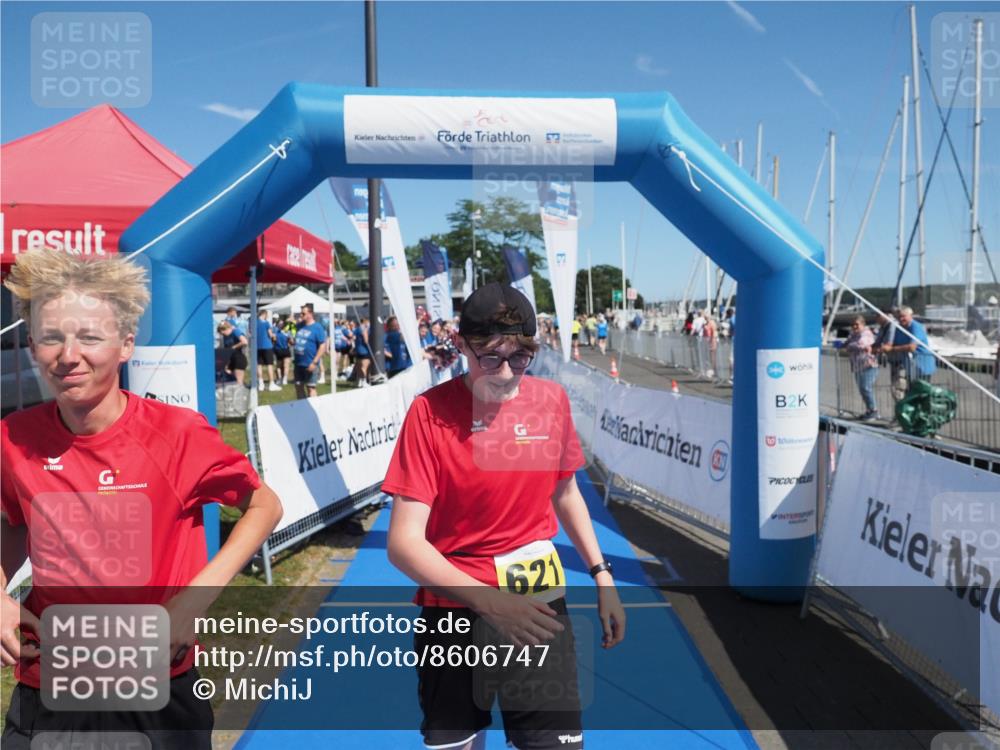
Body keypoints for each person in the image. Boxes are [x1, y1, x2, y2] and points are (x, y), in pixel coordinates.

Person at [0, 250, 282, 750]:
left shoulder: (177, 436)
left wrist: (192, 603)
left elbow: (264, 507)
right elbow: (15, 525)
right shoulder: (12, 438)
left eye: (89, 337)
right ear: (31, 345)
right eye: (51, 337)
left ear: (126, 343)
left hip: (157, 688)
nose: (68, 355)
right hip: (49, 685)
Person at [383, 282, 625, 750]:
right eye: (490, 357)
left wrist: (602, 575)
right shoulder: (429, 414)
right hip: (454, 614)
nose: (507, 372)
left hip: (538, 605)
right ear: (460, 346)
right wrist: (490, 602)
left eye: (520, 358)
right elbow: (403, 542)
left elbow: (566, 491)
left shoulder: (550, 401)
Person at [883, 306, 936, 384]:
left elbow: (912, 347)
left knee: (922, 392)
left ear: (910, 316)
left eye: (903, 316)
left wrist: (892, 349)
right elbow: (894, 343)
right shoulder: (899, 328)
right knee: (910, 391)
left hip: (922, 366)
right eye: (899, 317)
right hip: (909, 367)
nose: (901, 319)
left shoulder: (916, 327)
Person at [845, 315, 880, 420]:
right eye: (853, 324)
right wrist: (847, 345)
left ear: (863, 324)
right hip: (857, 366)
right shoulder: (853, 334)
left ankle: (874, 410)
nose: (855, 326)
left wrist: (850, 346)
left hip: (868, 365)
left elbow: (861, 344)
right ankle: (869, 410)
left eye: (857, 324)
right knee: (862, 389)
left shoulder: (866, 333)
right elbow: (846, 344)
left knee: (866, 388)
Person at [292, 303, 328, 399]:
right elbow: (294, 339)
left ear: (310, 314)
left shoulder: (317, 327)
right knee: (298, 386)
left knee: (311, 388)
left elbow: (322, 346)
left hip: (310, 363)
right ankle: (302, 409)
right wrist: (292, 339)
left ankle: (313, 410)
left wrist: (314, 362)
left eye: (303, 313)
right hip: (298, 363)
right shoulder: (299, 326)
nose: (301, 315)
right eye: (301, 313)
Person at [255, 310, 280, 391]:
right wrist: (274, 336)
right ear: (264, 314)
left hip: (258, 346)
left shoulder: (254, 322)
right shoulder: (266, 323)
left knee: (259, 365)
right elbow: (270, 334)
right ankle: (271, 384)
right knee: (269, 364)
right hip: (267, 346)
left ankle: (260, 383)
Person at [217, 319, 248, 386]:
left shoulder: (235, 331)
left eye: (223, 332)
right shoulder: (225, 336)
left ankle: (241, 394)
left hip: (239, 359)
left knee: (238, 382)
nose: (222, 334)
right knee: (230, 380)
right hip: (231, 360)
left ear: (227, 329)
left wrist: (234, 347)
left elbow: (244, 341)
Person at [353, 316, 373, 386]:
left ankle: (360, 381)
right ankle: (364, 381)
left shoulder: (356, 329)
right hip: (365, 351)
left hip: (358, 350)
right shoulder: (363, 329)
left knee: (359, 366)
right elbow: (366, 340)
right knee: (365, 367)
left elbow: (354, 338)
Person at [273, 317, 292, 386]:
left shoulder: (275, 332)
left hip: (278, 350)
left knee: (278, 366)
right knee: (286, 365)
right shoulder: (287, 332)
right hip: (285, 350)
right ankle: (285, 379)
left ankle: (280, 379)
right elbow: (290, 341)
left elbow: (274, 340)